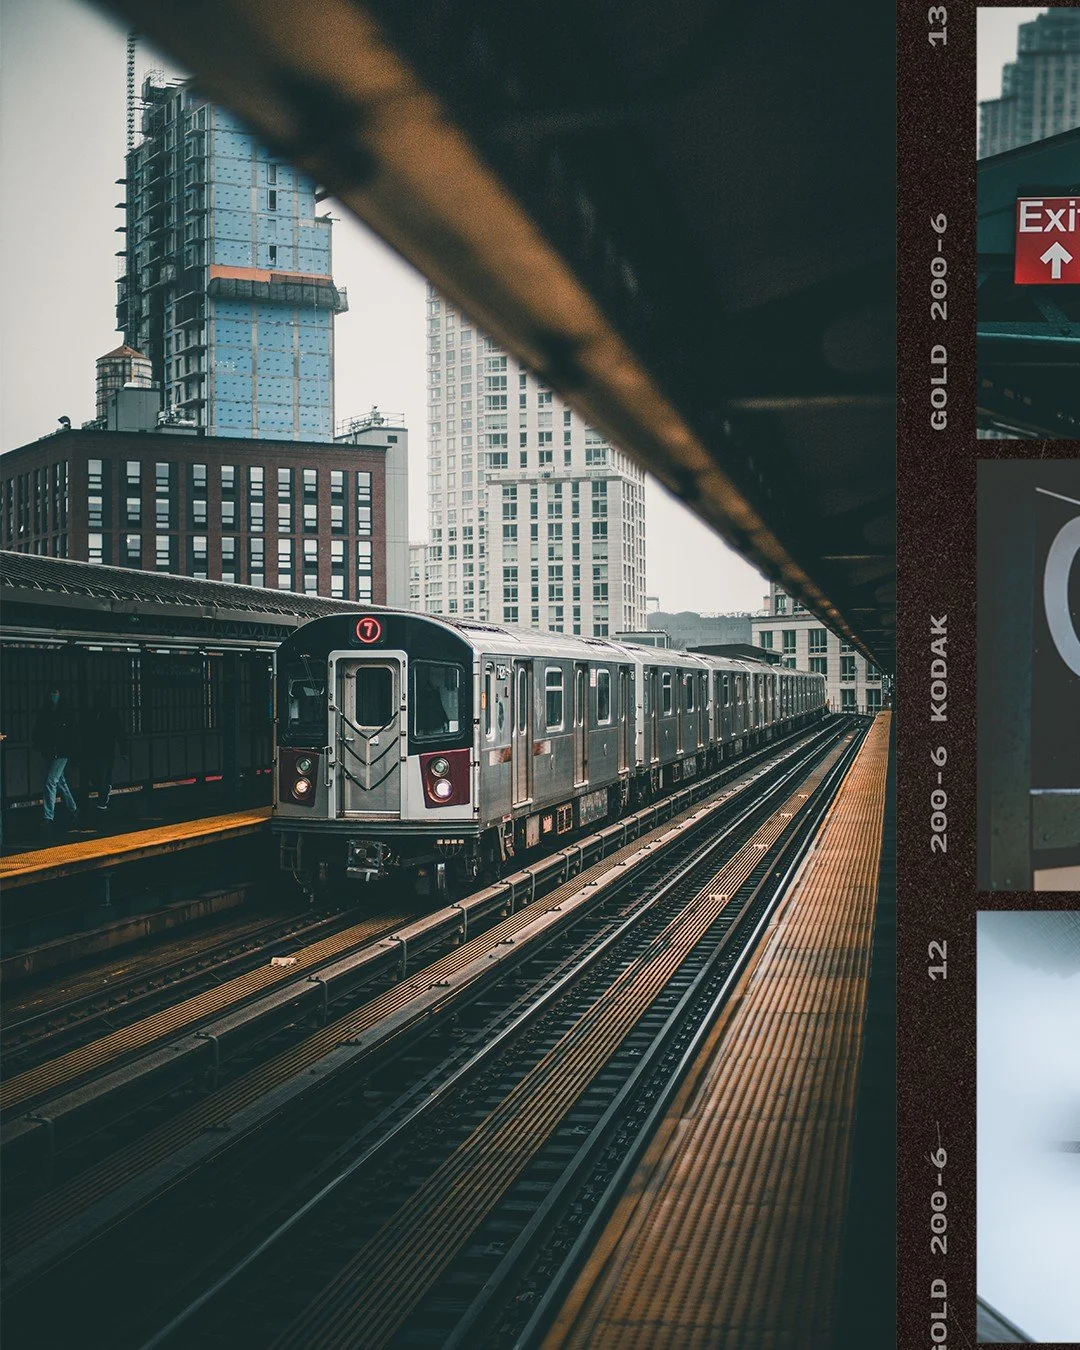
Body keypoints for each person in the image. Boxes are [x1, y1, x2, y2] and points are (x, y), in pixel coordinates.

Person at [33, 687, 80, 829]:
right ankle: (73, 809)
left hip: (61, 751)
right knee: (60, 782)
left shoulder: (53, 712)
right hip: (54, 751)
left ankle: (48, 817)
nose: (54, 695)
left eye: (56, 692)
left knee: (51, 781)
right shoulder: (61, 711)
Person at [83, 691, 127, 811]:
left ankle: (102, 800)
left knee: (102, 774)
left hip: (106, 750)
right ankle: (104, 791)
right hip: (98, 750)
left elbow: (119, 732)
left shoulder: (110, 714)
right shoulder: (94, 714)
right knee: (97, 774)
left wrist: (123, 750)